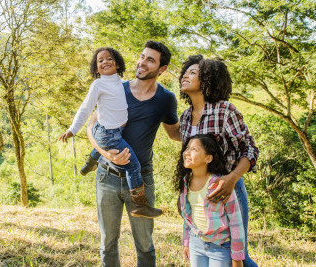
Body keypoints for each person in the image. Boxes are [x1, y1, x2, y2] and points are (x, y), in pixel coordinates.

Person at [86, 41, 180, 267]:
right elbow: (91, 128)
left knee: (145, 245)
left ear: (162, 69)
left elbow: (175, 134)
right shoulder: (117, 89)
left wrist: (202, 128)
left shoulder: (166, 99)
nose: (142, 62)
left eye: (151, 60)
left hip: (142, 180)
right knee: (108, 243)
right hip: (107, 177)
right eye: (142, 56)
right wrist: (106, 155)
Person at [59, 47, 162, 218]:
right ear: (96, 67)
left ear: (117, 62)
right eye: (100, 60)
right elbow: (85, 108)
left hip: (111, 130)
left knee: (102, 143)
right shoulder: (98, 84)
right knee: (133, 165)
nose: (105, 62)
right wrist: (72, 129)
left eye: (109, 58)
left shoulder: (120, 83)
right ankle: (139, 205)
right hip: (109, 133)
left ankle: (90, 163)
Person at [179, 56, 259, 267]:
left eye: (193, 72)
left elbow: (249, 149)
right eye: (186, 71)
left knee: (238, 255)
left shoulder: (224, 110)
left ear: (207, 79)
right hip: (197, 192)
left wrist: (232, 178)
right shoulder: (186, 117)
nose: (186, 75)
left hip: (227, 191)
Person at [175, 134, 245, 267]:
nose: (187, 152)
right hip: (196, 243)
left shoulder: (220, 184)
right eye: (187, 148)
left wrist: (237, 256)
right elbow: (187, 217)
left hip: (220, 246)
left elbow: (236, 222)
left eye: (194, 149)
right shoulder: (186, 182)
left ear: (208, 158)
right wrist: (186, 242)